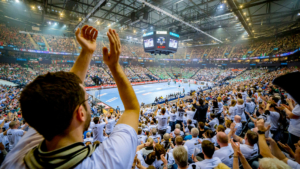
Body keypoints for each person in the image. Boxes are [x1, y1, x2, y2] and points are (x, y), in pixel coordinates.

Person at [2, 27, 140, 169]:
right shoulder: (107, 162)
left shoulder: (15, 158)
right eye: (86, 99)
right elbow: (132, 109)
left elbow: (65, 91)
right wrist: (114, 66)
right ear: (80, 113)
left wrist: (87, 52)